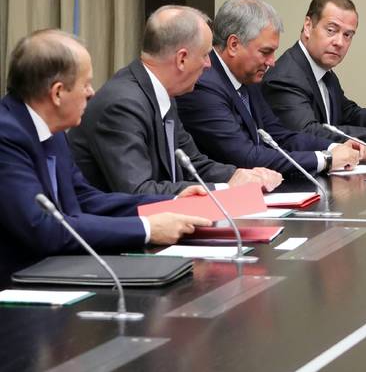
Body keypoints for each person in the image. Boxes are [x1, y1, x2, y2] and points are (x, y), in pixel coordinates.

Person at [0, 30, 210, 282]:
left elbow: (84, 199)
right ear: (57, 93)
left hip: (57, 272)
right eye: (85, 84)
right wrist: (146, 229)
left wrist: (170, 203)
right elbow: (41, 227)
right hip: (16, 288)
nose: (91, 93)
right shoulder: (7, 135)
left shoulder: (51, 130)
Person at [68, 6, 283, 196]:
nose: (209, 64)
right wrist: (224, 189)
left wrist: (241, 175)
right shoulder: (122, 104)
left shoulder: (162, 94)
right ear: (181, 59)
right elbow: (138, 191)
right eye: (205, 55)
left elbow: (193, 164)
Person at [177, 0, 362, 177]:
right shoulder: (204, 86)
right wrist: (325, 159)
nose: (272, 62)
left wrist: (334, 147)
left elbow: (280, 136)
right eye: (265, 52)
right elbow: (245, 156)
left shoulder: (247, 78)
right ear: (234, 45)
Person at [261, 0, 366, 148]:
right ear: (308, 27)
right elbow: (306, 132)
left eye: (348, 35)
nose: (340, 42)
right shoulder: (286, 77)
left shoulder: (323, 72)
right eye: (331, 30)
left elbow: (347, 112)